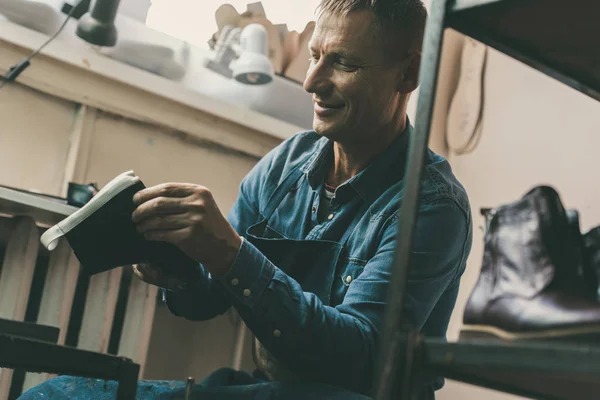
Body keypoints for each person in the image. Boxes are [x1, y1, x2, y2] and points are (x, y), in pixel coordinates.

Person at [20, 0, 472, 399]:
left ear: (408, 73)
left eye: (345, 63)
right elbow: (209, 300)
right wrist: (179, 268)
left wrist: (229, 253)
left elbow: (358, 356)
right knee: (56, 396)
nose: (312, 81)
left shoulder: (430, 206)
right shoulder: (285, 166)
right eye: (315, 56)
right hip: (273, 390)